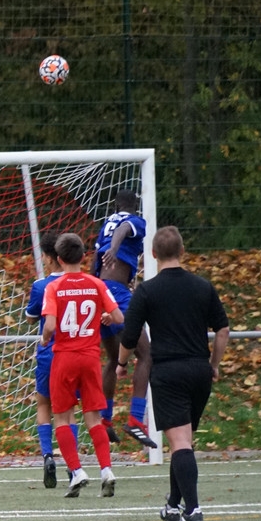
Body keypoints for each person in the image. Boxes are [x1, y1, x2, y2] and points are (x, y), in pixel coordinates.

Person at [116, 226, 229, 521]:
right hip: (199, 370)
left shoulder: (147, 291)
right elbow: (222, 330)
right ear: (182, 251)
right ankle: (172, 505)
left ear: (153, 254)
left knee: (179, 442)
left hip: (168, 372)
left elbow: (129, 334)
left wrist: (121, 364)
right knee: (183, 441)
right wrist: (214, 364)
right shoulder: (203, 286)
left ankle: (193, 511)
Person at [40, 233, 123, 498]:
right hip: (90, 357)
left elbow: (50, 325)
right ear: (84, 256)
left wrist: (45, 339)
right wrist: (106, 315)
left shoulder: (53, 287)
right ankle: (106, 470)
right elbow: (118, 316)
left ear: (59, 259)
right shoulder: (96, 283)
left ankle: (76, 471)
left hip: (64, 357)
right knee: (94, 417)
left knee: (62, 417)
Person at [93, 189, 156, 448]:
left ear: (115, 205)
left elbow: (96, 260)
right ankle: (136, 419)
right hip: (116, 294)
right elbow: (124, 230)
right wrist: (115, 249)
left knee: (112, 358)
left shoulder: (105, 224)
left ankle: (105, 420)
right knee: (146, 354)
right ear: (135, 206)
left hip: (100, 290)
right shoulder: (135, 221)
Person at [24, 231, 78, 489]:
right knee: (69, 411)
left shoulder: (41, 286)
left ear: (48, 257)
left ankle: (47, 456)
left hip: (48, 353)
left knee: (43, 404)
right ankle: (72, 464)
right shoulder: (80, 283)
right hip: (74, 353)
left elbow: (31, 317)